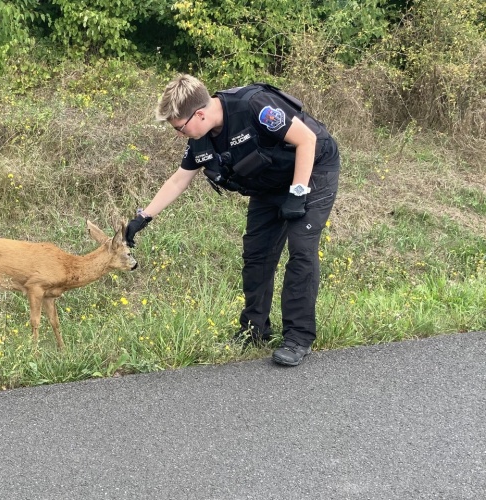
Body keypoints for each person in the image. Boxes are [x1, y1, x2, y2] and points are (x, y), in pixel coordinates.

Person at [126, 74, 340, 366]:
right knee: (257, 254)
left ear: (199, 114)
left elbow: (306, 139)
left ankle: (298, 337)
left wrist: (298, 193)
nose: (179, 134)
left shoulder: (255, 106)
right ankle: (255, 330)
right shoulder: (203, 137)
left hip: (312, 169)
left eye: (179, 128)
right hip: (269, 182)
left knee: (301, 249)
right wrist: (142, 217)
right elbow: (178, 180)